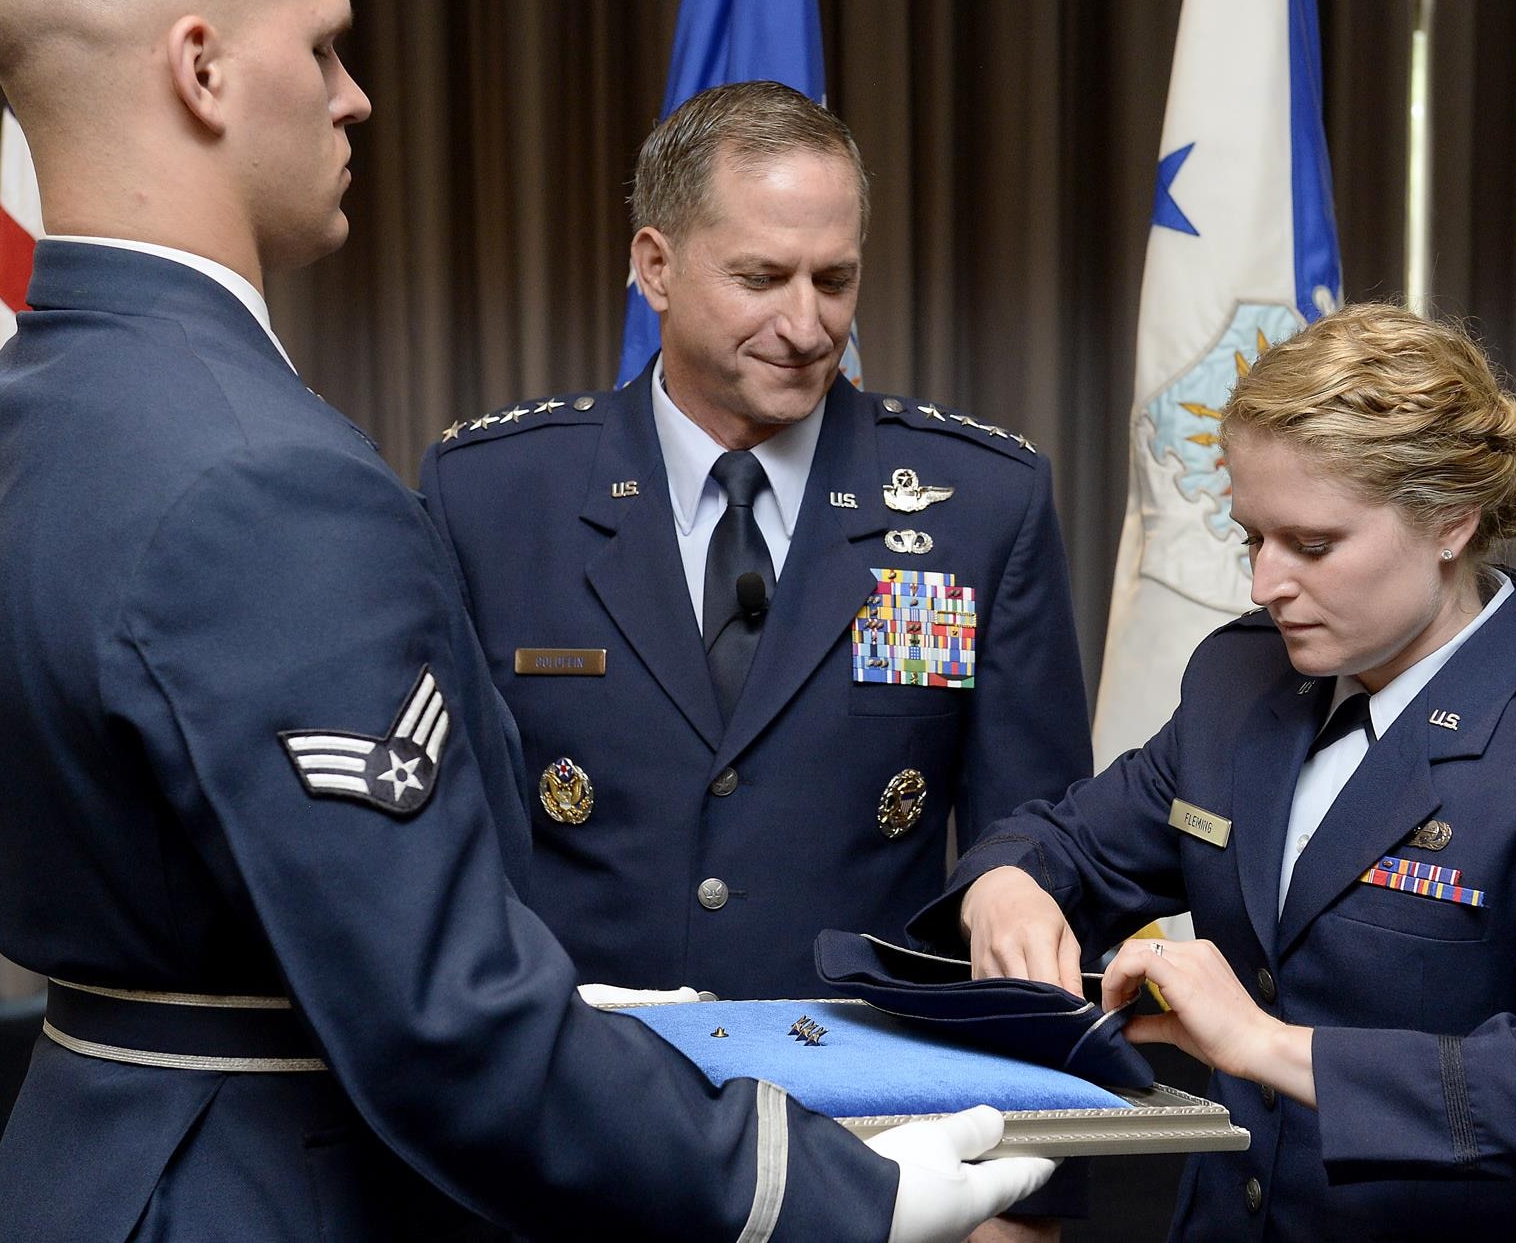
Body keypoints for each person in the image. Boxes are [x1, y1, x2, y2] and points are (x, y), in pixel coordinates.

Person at [0, 0, 1050, 1239]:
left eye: (835, 278)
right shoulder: (266, 475)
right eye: (323, 46)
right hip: (264, 1184)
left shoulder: (24, 411)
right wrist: (843, 1197)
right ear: (201, 68)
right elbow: (438, 1013)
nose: (355, 94)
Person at [910, 304, 1516, 1242]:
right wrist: (1005, 885)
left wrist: (1268, 1048)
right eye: (1253, 538)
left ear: (1451, 520)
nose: (1263, 585)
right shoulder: (1241, 682)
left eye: (1313, 545)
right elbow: (1069, 840)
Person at [418, 81, 1091, 1003]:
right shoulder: (493, 496)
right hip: (581, 1086)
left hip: (867, 1092)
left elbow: (1037, 831)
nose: (808, 326)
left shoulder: (980, 502)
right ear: (655, 268)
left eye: (835, 279)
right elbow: (440, 838)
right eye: (762, 278)